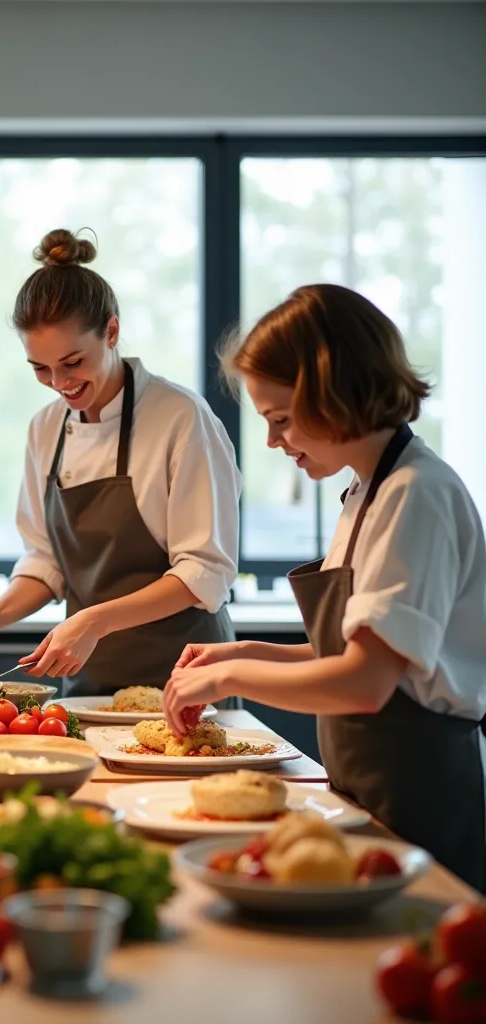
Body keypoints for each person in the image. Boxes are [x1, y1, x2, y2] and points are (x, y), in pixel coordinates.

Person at [164, 283, 486, 890]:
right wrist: (242, 652)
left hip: (420, 791)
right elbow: (358, 653)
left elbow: (365, 684)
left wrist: (228, 679)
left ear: (336, 394)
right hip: (373, 782)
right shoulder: (367, 492)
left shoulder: (416, 496)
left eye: (280, 419)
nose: (271, 441)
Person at [0, 229, 239, 695]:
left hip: (186, 682)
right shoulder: (46, 428)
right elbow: (46, 562)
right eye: (40, 368)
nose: (59, 382)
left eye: (73, 362)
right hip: (89, 684)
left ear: (113, 331)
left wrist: (95, 620)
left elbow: (204, 573)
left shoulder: (180, 418)